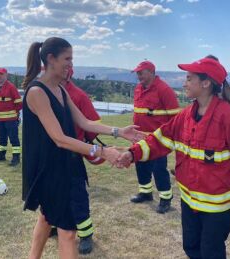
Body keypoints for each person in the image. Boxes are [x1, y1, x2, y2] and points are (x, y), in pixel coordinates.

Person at [118, 57, 230, 259]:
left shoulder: (228, 117)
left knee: (211, 253)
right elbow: (160, 139)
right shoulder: (185, 115)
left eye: (189, 78)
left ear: (206, 83)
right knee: (191, 248)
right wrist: (132, 153)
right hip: (188, 200)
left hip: (215, 206)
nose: (184, 83)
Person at [21, 37, 143, 259]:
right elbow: (59, 139)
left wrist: (118, 131)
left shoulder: (60, 89)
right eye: (67, 58)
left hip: (68, 166)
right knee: (68, 232)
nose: (70, 64)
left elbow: (84, 122)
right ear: (50, 59)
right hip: (50, 171)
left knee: (47, 217)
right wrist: (102, 152)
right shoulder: (37, 92)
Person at [49, 67, 101, 254]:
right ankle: (56, 223)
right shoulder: (46, 91)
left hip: (72, 154)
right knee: (54, 193)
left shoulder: (78, 96)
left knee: (77, 195)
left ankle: (85, 234)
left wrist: (89, 147)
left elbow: (91, 125)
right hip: (52, 154)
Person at [130, 60, 180, 214]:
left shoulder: (164, 90)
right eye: (137, 73)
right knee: (141, 166)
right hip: (139, 137)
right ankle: (145, 193)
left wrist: (169, 140)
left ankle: (165, 199)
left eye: (141, 73)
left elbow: (175, 117)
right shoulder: (138, 89)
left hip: (158, 140)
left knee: (159, 169)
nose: (138, 76)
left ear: (151, 72)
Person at [0, 67, 22, 166]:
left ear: (6, 75)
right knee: (1, 138)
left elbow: (19, 103)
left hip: (11, 119)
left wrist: (15, 114)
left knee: (13, 138)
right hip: (0, 119)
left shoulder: (11, 87)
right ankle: (1, 155)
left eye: (1, 74)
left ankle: (16, 157)